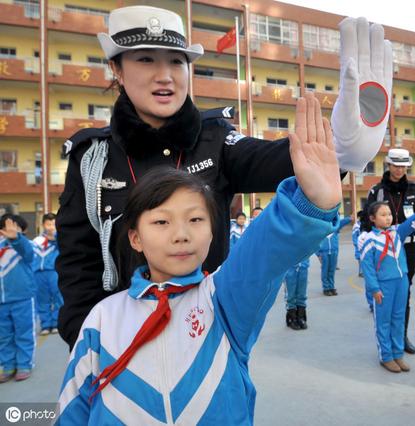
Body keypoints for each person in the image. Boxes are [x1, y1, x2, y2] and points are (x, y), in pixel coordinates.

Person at [56, 6, 394, 349]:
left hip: (210, 333)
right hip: (121, 342)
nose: (165, 75)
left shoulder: (214, 140)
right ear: (116, 68)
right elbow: (78, 265)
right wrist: (88, 343)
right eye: (145, 60)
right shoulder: (92, 157)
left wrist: (340, 146)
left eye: (176, 61)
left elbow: (278, 160)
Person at [57, 94, 343, 423]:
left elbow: (268, 250)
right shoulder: (102, 319)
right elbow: (73, 409)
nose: (181, 234)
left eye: (195, 220)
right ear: (135, 236)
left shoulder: (224, 300)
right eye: (162, 222)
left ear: (213, 230)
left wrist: (311, 203)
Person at [360, 200, 415, 373]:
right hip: (384, 285)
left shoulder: (396, 233)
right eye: (383, 215)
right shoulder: (368, 239)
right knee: (383, 321)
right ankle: (386, 356)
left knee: (399, 318)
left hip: (402, 281)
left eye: (389, 214)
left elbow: (409, 223)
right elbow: (367, 268)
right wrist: (374, 289)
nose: (388, 218)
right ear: (372, 218)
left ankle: (398, 353)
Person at [366, 148, 415, 354]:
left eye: (403, 166)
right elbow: (367, 218)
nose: (399, 170)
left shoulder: (414, 189)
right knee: (384, 293)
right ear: (388, 165)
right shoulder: (377, 190)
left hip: (407, 247)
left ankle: (401, 336)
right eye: (396, 165)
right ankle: (385, 342)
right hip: (383, 247)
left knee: (404, 293)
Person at [0, 215, 36, 382]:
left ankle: (24, 364)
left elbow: (29, 255)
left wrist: (16, 238)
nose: (11, 232)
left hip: (22, 297)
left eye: (15, 228)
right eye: (6, 228)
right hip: (1, 301)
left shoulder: (23, 245)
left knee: (23, 332)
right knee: (4, 335)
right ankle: (8, 365)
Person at [32, 213, 62, 335]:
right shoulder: (37, 241)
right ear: (43, 225)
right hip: (39, 273)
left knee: (57, 298)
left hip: (53, 272)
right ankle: (45, 325)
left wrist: (56, 238)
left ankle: (56, 323)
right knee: (42, 300)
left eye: (53, 224)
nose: (50, 227)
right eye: (48, 224)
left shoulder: (59, 240)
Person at [316, 216, 351, 296]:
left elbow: (341, 223)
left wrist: (349, 219)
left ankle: (331, 287)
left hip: (333, 252)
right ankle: (326, 288)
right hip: (324, 253)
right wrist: (318, 254)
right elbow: (315, 243)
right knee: (325, 271)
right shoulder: (320, 231)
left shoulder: (335, 229)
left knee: (332, 270)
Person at [283, 257, 310, 330]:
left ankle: (301, 316)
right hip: (290, 267)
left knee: (302, 292)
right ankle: (292, 317)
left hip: (303, 266)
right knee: (290, 293)